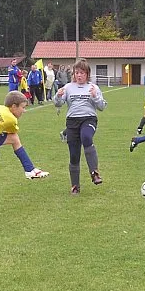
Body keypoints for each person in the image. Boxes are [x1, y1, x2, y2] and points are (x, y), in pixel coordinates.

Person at [0, 91, 49, 210]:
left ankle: (30, 169)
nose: (24, 111)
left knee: (14, 139)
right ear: (13, 106)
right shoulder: (11, 119)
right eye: (22, 107)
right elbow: (13, 130)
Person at [54, 58, 107, 194]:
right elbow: (58, 104)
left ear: (87, 74)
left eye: (82, 73)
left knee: (86, 137)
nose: (79, 75)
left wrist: (95, 97)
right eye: (77, 72)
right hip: (72, 121)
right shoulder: (68, 87)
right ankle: (75, 186)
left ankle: (94, 173)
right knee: (74, 155)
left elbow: (101, 107)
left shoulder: (93, 88)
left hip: (88, 119)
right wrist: (58, 96)